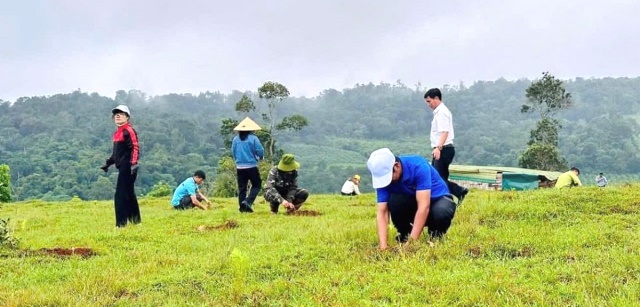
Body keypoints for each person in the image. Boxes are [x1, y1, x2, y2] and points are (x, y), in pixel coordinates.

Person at [367, 148, 457, 250]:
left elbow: (424, 206)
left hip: (437, 200)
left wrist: (411, 244)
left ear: (396, 165)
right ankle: (405, 234)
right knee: (395, 201)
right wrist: (383, 246)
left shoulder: (418, 166)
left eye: (388, 177)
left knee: (442, 211)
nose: (387, 182)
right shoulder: (384, 180)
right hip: (413, 202)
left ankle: (435, 236)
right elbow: (382, 212)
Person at [424, 88, 469, 205]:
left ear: (436, 98)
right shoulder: (439, 112)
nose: (428, 104)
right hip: (441, 148)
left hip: (443, 148)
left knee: (438, 179)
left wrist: (438, 148)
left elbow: (445, 132)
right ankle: (452, 196)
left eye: (429, 101)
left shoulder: (442, 112)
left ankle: (458, 192)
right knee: (437, 177)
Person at [100, 105, 141, 228]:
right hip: (123, 166)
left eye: (121, 114)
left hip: (127, 167)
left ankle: (121, 224)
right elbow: (116, 153)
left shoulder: (128, 130)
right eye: (116, 114)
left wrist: (133, 164)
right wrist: (108, 164)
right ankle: (136, 221)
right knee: (129, 194)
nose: (117, 115)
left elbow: (135, 147)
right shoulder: (117, 133)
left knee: (120, 195)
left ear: (127, 117)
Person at [231, 117, 265, 213]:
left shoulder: (235, 139)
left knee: (242, 188)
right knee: (257, 185)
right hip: (251, 166)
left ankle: (242, 207)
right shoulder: (253, 138)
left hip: (239, 167)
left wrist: (237, 160)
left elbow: (233, 151)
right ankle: (247, 202)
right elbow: (260, 150)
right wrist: (260, 157)